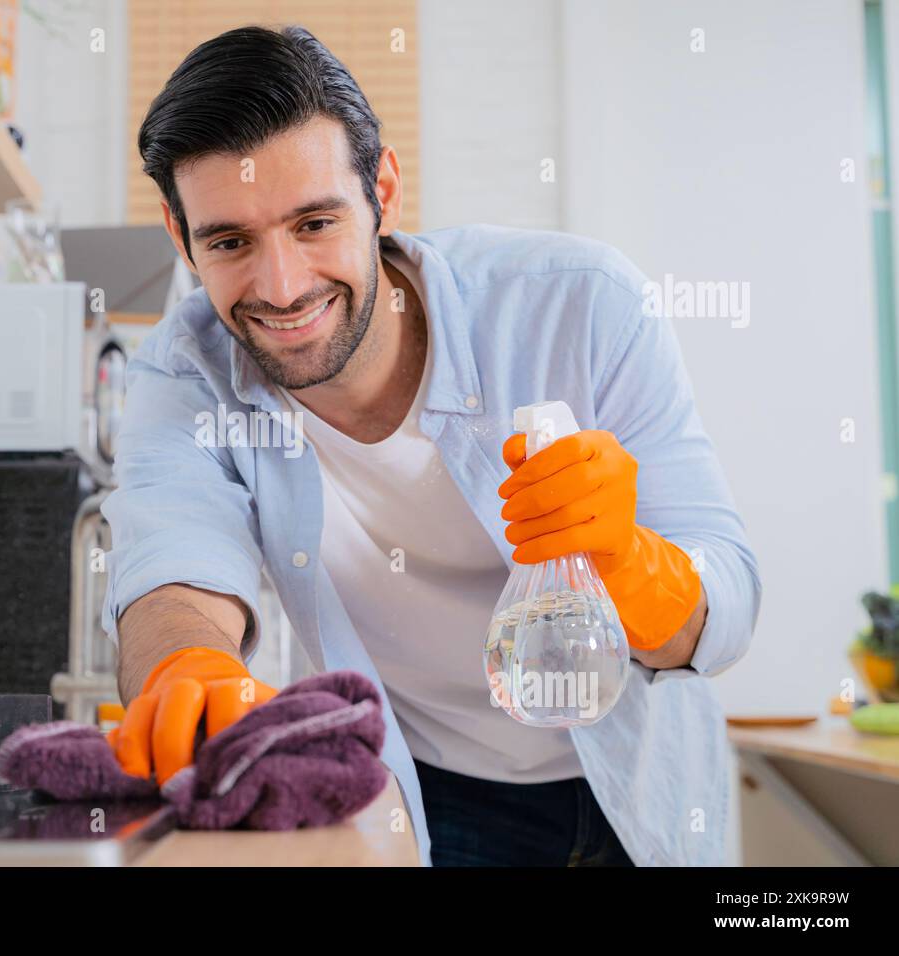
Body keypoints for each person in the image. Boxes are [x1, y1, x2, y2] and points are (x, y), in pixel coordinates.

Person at [100, 24, 761, 867]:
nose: (281, 285)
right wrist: (185, 664)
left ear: (383, 189)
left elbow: (728, 607)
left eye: (314, 222)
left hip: (641, 782)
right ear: (177, 232)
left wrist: (636, 568)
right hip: (438, 794)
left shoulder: (582, 307)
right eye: (229, 242)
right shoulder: (184, 375)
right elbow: (175, 569)